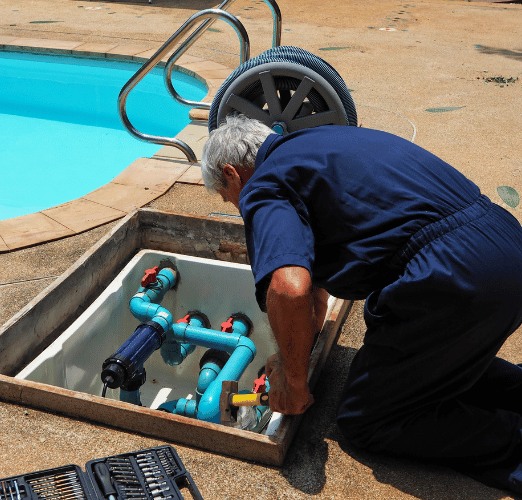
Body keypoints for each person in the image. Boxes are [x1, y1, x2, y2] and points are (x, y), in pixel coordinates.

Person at [201, 113, 522, 494]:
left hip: (454, 276)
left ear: (233, 174)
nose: (237, 208)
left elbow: (290, 289)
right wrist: (291, 355)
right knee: (436, 367)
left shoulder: (264, 184)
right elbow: (312, 290)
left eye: (227, 198)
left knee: (368, 418)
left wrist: (295, 382)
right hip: (504, 248)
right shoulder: (317, 144)